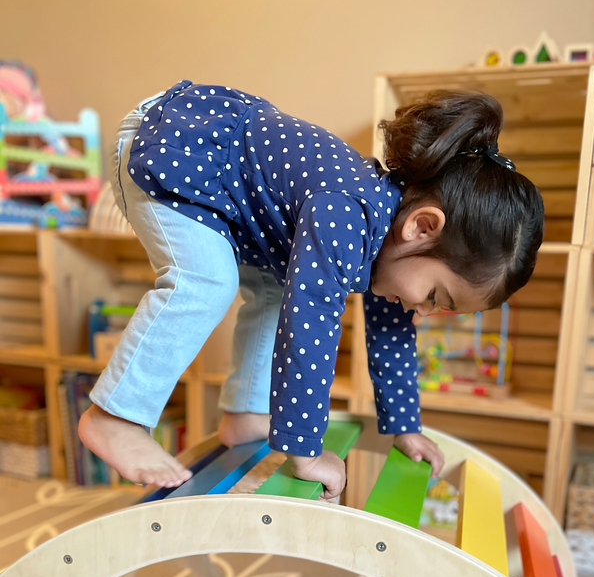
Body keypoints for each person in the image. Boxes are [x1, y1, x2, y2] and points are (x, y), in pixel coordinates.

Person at [79, 83, 544, 499]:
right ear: (422, 228)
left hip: (225, 191)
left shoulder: (389, 238)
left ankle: (244, 412)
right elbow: (309, 329)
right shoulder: (347, 211)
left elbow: (391, 339)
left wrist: (405, 427)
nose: (423, 312)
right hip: (175, 146)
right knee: (207, 281)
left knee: (273, 291)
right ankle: (114, 418)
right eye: (437, 298)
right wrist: (304, 448)